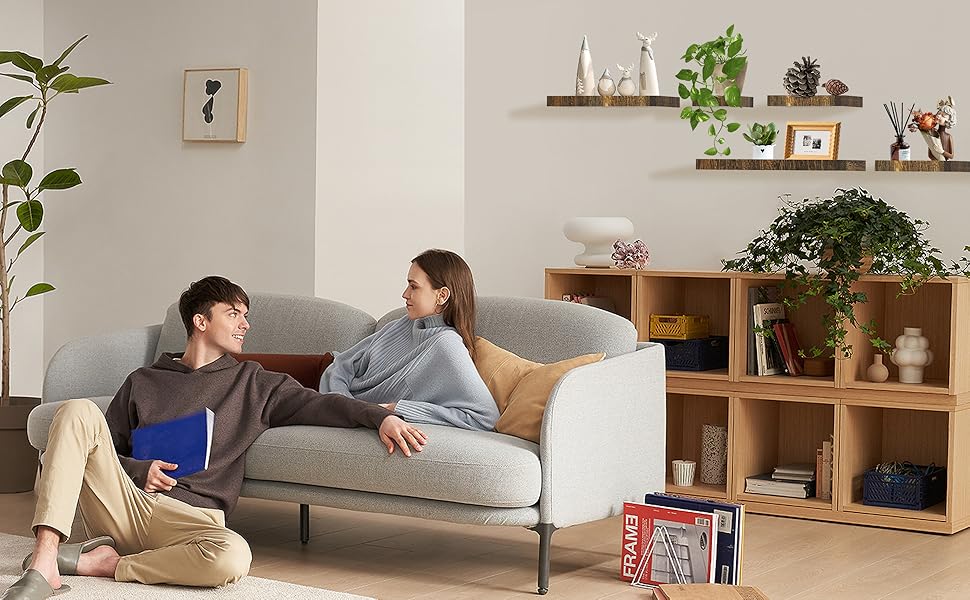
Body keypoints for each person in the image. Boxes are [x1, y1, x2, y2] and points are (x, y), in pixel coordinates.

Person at [2, 276, 426, 600]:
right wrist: (138, 469)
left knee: (233, 557)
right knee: (76, 410)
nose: (245, 324)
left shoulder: (253, 382)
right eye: (234, 314)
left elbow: (321, 403)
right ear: (200, 322)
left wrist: (378, 418)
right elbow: (107, 448)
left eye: (246, 315)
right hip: (126, 504)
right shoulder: (145, 380)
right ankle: (44, 564)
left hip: (193, 522)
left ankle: (108, 564)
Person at [319, 249, 499, 431]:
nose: (405, 294)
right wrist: (344, 406)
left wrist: (394, 408)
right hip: (327, 380)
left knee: (288, 386)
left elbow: (486, 418)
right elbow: (342, 364)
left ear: (442, 295)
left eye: (414, 286)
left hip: (328, 396)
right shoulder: (405, 324)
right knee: (288, 376)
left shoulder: (446, 345)